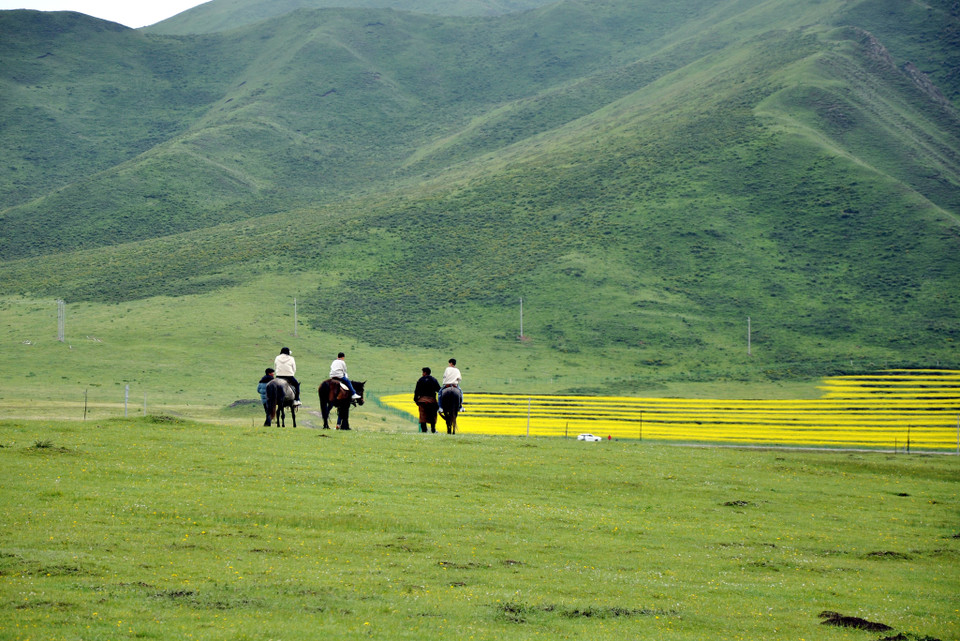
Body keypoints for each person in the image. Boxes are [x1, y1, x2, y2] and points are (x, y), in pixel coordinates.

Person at [413, 367, 441, 433]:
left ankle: (424, 430)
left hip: (422, 401)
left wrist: (416, 399)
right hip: (432, 401)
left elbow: (416, 391)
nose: (422, 374)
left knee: (422, 415)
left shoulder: (420, 380)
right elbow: (439, 390)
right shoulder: (434, 380)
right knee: (433, 415)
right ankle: (433, 429)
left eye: (423, 372)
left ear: (425, 373)